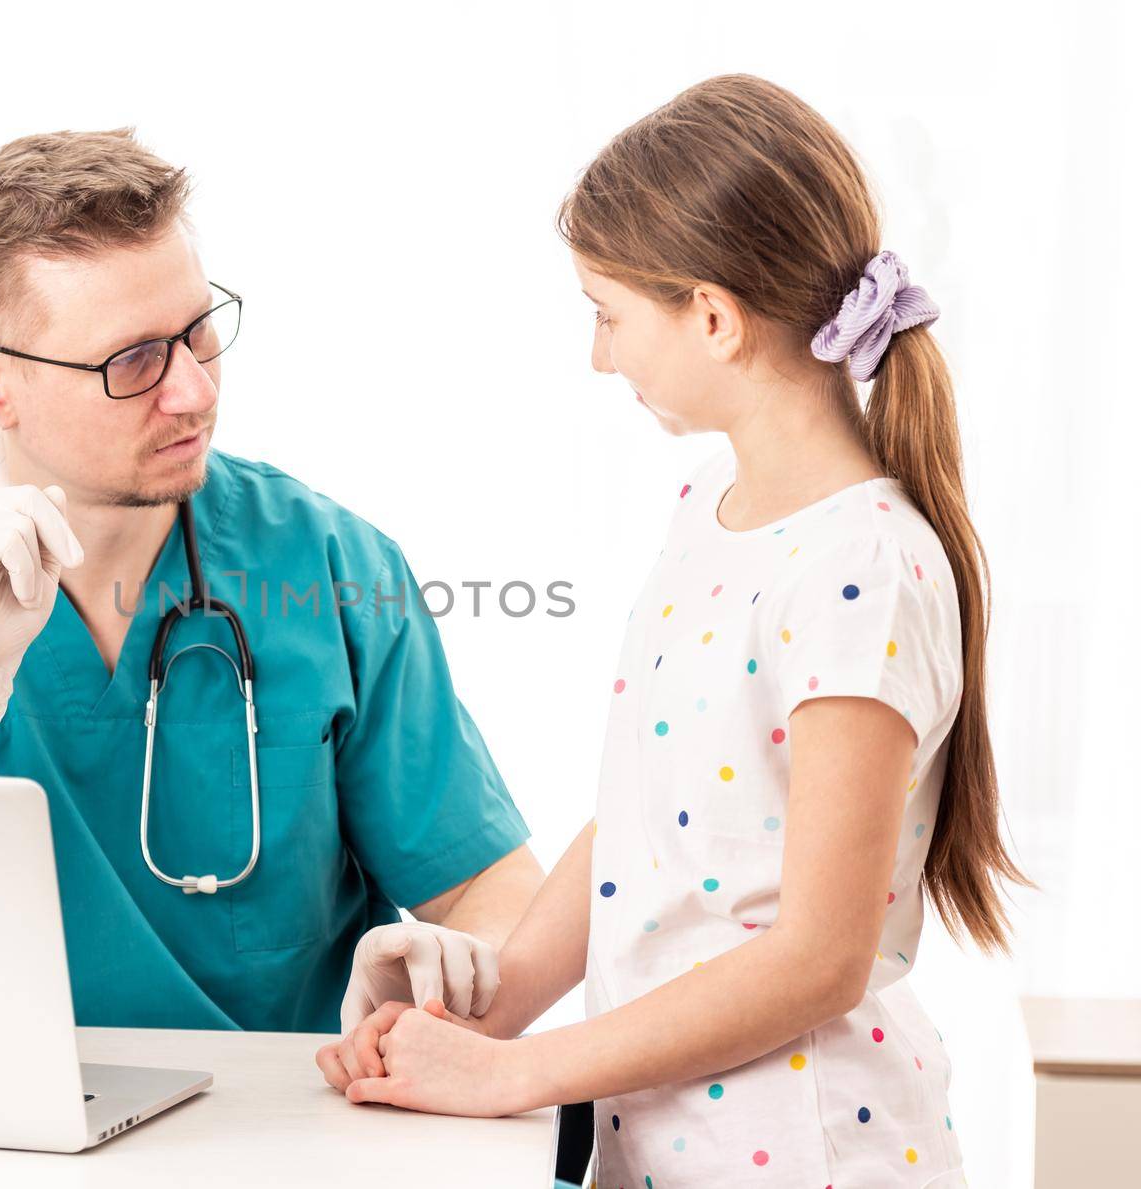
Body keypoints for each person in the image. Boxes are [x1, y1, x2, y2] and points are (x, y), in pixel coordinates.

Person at [317, 75, 1031, 1187]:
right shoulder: (711, 508)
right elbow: (648, 814)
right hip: (658, 1146)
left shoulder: (861, 570)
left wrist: (521, 1074)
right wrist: (488, 1011)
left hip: (805, 1155)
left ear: (710, 315)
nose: (601, 356)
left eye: (608, 314)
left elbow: (819, 960)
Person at [0, 128, 543, 1034]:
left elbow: (483, 882)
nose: (194, 390)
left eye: (200, 331)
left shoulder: (331, 566)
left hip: (279, 1134)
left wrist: (440, 995)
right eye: (132, 362)